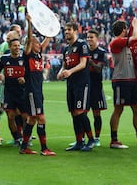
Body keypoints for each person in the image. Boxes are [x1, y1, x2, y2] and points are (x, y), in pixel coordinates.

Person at [108, 18, 137, 149]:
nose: (128, 30)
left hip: (131, 80)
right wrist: (135, 25)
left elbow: (130, 63)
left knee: (136, 108)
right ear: (123, 30)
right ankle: (114, 140)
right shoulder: (116, 41)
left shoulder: (125, 44)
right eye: (126, 28)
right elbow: (136, 36)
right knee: (118, 109)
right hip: (121, 80)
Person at [19, 15, 56, 156]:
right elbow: (29, 39)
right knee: (41, 118)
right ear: (30, 43)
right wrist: (29, 23)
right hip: (32, 91)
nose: (39, 43)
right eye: (36, 41)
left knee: (32, 119)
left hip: (37, 91)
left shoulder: (39, 54)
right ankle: (44, 148)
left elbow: (49, 37)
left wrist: (53, 23)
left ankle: (24, 147)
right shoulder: (28, 54)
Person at [57, 22, 96, 152]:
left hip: (81, 83)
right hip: (71, 83)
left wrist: (70, 71)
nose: (66, 32)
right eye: (65, 30)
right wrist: (61, 71)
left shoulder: (82, 45)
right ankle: (79, 141)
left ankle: (91, 140)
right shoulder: (66, 49)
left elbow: (83, 64)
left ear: (75, 31)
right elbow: (64, 64)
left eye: (69, 30)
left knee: (80, 111)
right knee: (74, 112)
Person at [0, 38, 25, 147]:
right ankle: (17, 138)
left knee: (25, 116)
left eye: (18, 45)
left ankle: (26, 138)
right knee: (11, 116)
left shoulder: (24, 58)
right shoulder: (4, 58)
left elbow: (30, 73)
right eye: (14, 46)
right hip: (9, 92)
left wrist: (24, 78)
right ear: (10, 47)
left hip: (22, 92)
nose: (17, 48)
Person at [87, 29, 107, 146]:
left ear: (97, 39)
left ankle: (97, 137)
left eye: (91, 37)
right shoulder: (84, 50)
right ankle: (84, 137)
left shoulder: (101, 52)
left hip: (96, 87)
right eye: (88, 37)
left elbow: (98, 69)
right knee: (82, 113)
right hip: (84, 86)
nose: (89, 39)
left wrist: (89, 61)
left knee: (96, 113)